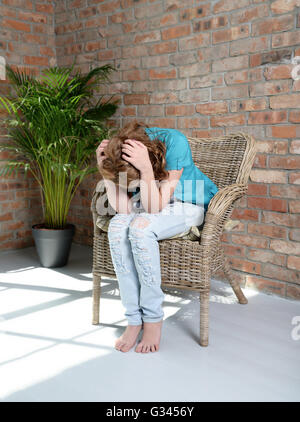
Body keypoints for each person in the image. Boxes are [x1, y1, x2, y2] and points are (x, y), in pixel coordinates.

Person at [96, 121, 218, 353]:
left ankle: (152, 319)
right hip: (150, 200)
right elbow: (123, 208)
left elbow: (154, 207)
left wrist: (145, 169)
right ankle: (133, 319)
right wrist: (103, 165)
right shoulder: (121, 152)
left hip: (187, 203)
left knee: (140, 228)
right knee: (117, 227)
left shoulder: (175, 141)